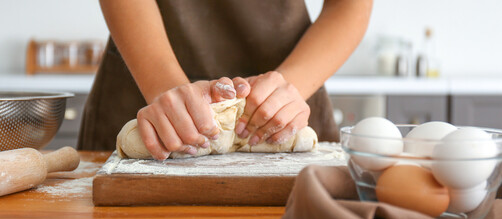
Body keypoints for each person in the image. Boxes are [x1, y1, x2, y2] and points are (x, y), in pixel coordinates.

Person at [78, 0, 373, 160]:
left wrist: (290, 82)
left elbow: (350, 5)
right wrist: (163, 86)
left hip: (290, 93)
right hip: (146, 81)